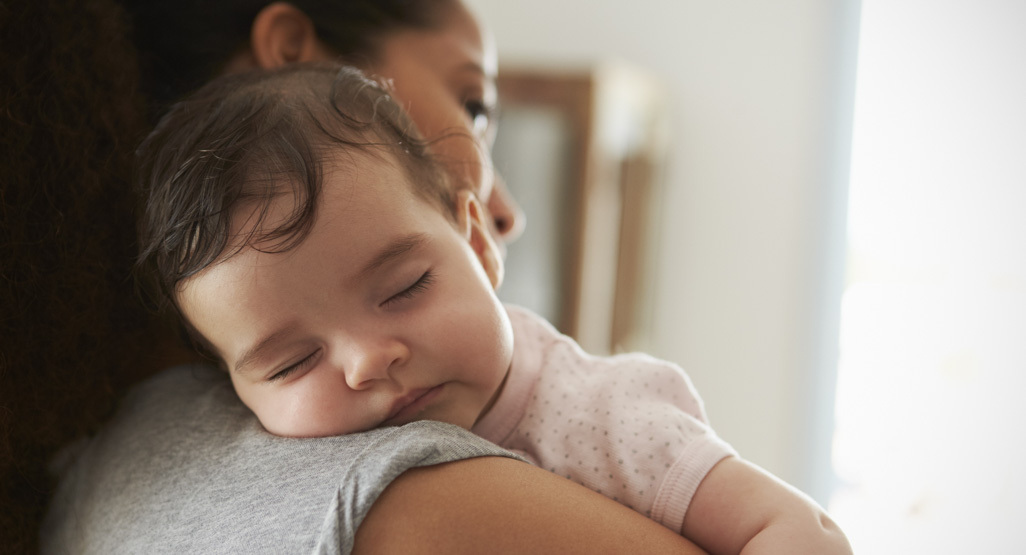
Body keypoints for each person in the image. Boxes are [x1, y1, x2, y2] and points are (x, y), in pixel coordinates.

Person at [38, 0, 711, 552]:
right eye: (471, 106)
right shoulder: (404, 503)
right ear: (297, 51)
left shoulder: (90, 466)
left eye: (403, 286)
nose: (505, 213)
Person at [131, 62, 852, 554]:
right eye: (293, 361)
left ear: (475, 241)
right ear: (231, 387)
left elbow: (800, 528)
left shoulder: (605, 417)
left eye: (404, 286)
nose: (367, 359)